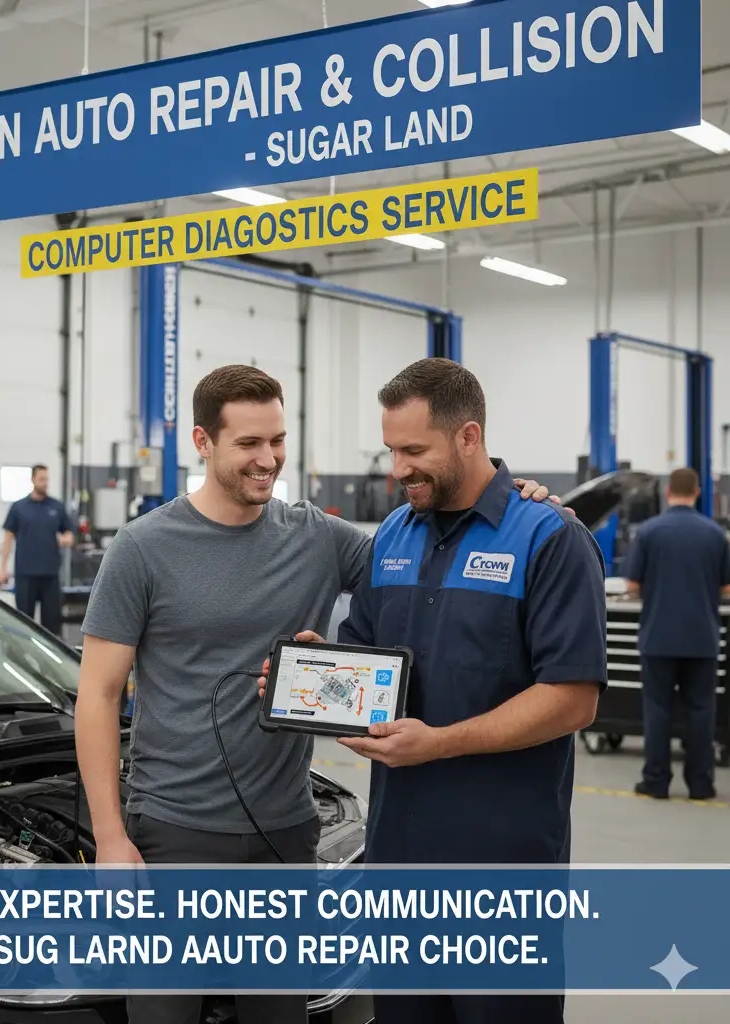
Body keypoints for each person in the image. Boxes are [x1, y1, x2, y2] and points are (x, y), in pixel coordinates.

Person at [75, 363, 565, 1024]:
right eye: (249, 443)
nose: (268, 458)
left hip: (285, 833)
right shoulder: (142, 548)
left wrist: (517, 503)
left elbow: (427, 560)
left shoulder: (318, 538)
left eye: (277, 440)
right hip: (175, 834)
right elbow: (99, 696)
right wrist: (110, 835)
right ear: (203, 442)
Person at [260, 358, 607, 1024]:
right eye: (391, 450)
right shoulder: (392, 534)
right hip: (401, 864)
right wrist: (315, 681)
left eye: (414, 450)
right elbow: (366, 666)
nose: (398, 468)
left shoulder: (549, 539)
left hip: (501, 872)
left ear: (467, 437)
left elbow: (573, 698)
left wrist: (441, 744)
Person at [622, 467, 730, 801]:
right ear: (697, 493)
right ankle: (701, 785)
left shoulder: (650, 532)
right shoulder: (715, 534)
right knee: (701, 712)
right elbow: (726, 589)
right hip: (702, 638)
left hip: (658, 637)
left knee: (658, 710)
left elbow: (631, 584)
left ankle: (656, 782)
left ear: (669, 493)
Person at [0, 464, 76, 635]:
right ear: (33, 479)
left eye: (47, 479)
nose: (45, 483)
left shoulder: (56, 507)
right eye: (42, 479)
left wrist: (63, 539)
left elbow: (70, 536)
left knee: (52, 625)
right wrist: (2, 569)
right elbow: (8, 539)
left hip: (50, 575)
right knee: (24, 623)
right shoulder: (19, 508)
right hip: (26, 575)